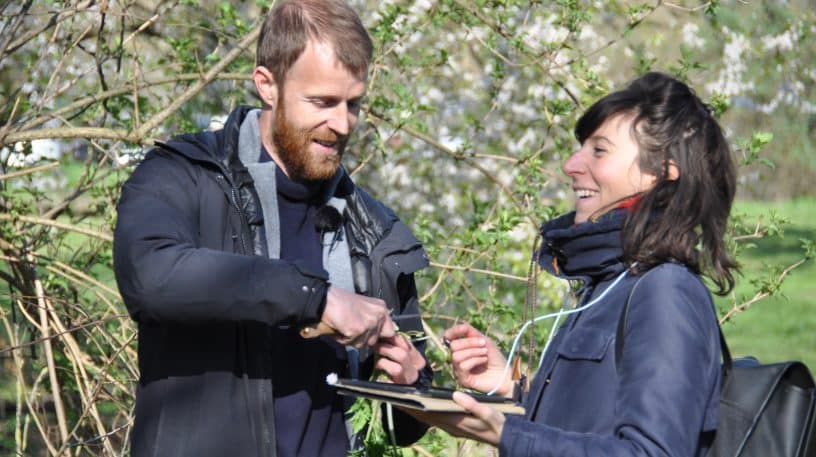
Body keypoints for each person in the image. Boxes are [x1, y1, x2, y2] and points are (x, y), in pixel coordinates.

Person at [113, 1, 431, 455]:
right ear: (267, 85)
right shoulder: (183, 177)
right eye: (322, 102)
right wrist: (314, 299)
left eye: (353, 104)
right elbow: (150, 275)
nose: (341, 124)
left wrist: (412, 382)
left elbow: (400, 425)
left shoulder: (372, 228)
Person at [410, 72, 737, 456]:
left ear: (663, 171)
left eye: (599, 151)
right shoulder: (611, 282)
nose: (571, 165)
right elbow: (591, 419)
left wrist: (506, 434)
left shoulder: (666, 291)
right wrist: (509, 385)